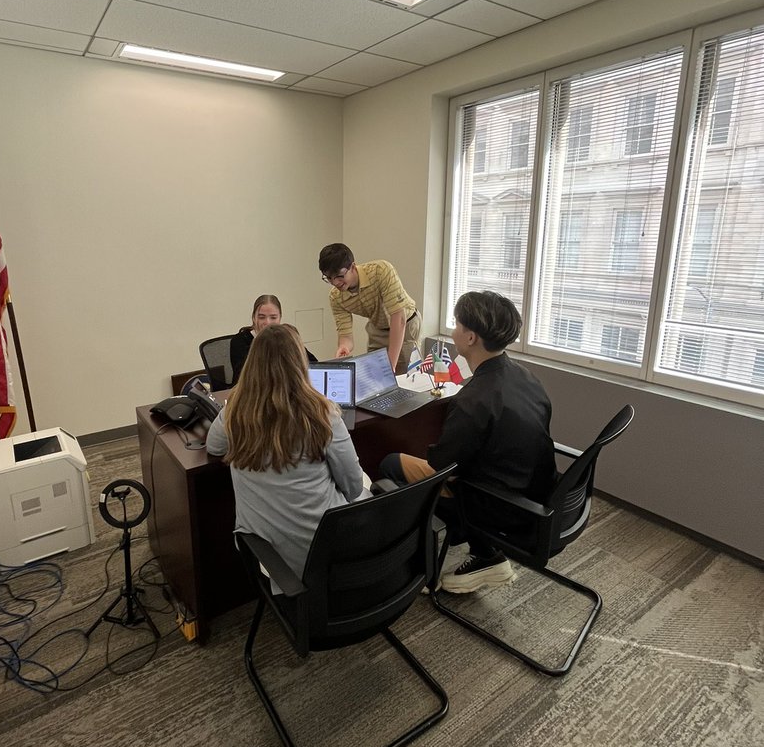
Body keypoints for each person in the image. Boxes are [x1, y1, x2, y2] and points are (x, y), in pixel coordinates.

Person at [380, 291, 555, 594]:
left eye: (458, 324)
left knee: (391, 463)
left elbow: (441, 466)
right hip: (534, 494)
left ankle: (423, 566)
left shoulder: (473, 399)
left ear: (471, 337)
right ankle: (486, 553)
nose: (453, 330)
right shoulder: (527, 377)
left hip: (495, 506)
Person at [206, 323, 366, 587]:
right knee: (367, 487)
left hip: (267, 554)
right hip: (325, 549)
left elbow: (214, 447)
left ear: (252, 362)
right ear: (299, 361)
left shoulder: (235, 411)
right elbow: (352, 486)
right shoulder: (322, 413)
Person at [318, 243, 421, 372]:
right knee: (374, 375)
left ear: (353, 267)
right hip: (377, 327)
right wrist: (344, 347)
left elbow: (398, 318)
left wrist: (391, 365)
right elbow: (345, 335)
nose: (335, 282)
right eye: (329, 278)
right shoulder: (336, 297)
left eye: (339, 276)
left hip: (405, 324)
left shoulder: (381, 271)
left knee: (404, 376)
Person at [229, 293, 316, 383]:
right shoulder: (239, 341)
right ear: (254, 318)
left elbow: (313, 364)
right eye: (261, 317)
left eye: (273, 317)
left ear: (280, 318)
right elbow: (242, 377)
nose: (267, 322)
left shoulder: (287, 338)